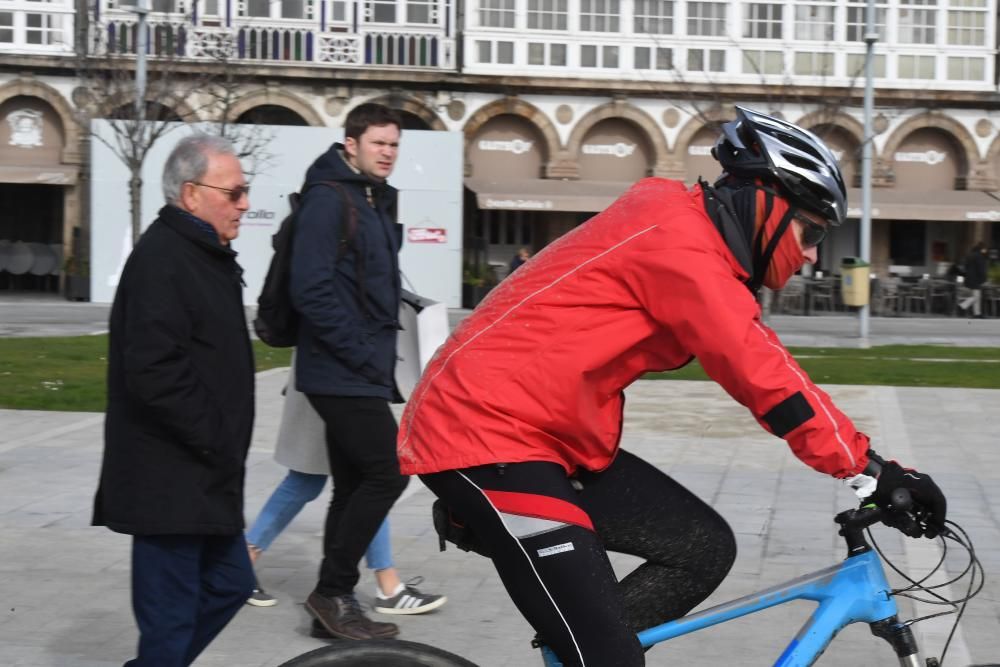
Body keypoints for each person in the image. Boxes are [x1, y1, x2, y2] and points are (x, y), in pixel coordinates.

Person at [397, 107, 948, 667]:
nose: (811, 256)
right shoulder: (683, 248)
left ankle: (578, 646)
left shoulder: (678, 224)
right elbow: (763, 373)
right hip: (485, 434)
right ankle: (591, 647)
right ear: (768, 205)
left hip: (545, 436)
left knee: (699, 550)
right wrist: (870, 469)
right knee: (611, 658)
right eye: (811, 232)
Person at [93, 133, 256, 667]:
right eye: (233, 193)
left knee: (230, 585)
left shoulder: (203, 254)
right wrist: (215, 435)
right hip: (171, 476)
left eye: (245, 191)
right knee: (170, 623)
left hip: (206, 476)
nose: (245, 204)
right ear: (190, 194)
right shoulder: (162, 259)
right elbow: (153, 369)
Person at [290, 102, 413, 640]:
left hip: (358, 367)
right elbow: (310, 288)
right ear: (352, 144)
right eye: (379, 143)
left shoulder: (369, 198)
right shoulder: (328, 199)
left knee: (352, 483)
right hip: (339, 368)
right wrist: (361, 351)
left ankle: (331, 607)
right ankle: (334, 590)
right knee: (390, 470)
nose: (388, 153)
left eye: (394, 145)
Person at [244, 354, 446, 622]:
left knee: (365, 481)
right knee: (354, 479)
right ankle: (244, 565)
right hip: (336, 377)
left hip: (347, 377)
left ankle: (381, 584)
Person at [958, 242, 988, 318]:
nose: (986, 250)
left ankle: (977, 313)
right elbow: (980, 269)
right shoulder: (979, 256)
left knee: (976, 295)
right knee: (977, 296)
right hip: (976, 279)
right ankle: (963, 306)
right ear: (981, 249)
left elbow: (965, 267)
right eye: (985, 249)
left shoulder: (969, 255)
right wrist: (984, 278)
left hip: (969, 278)